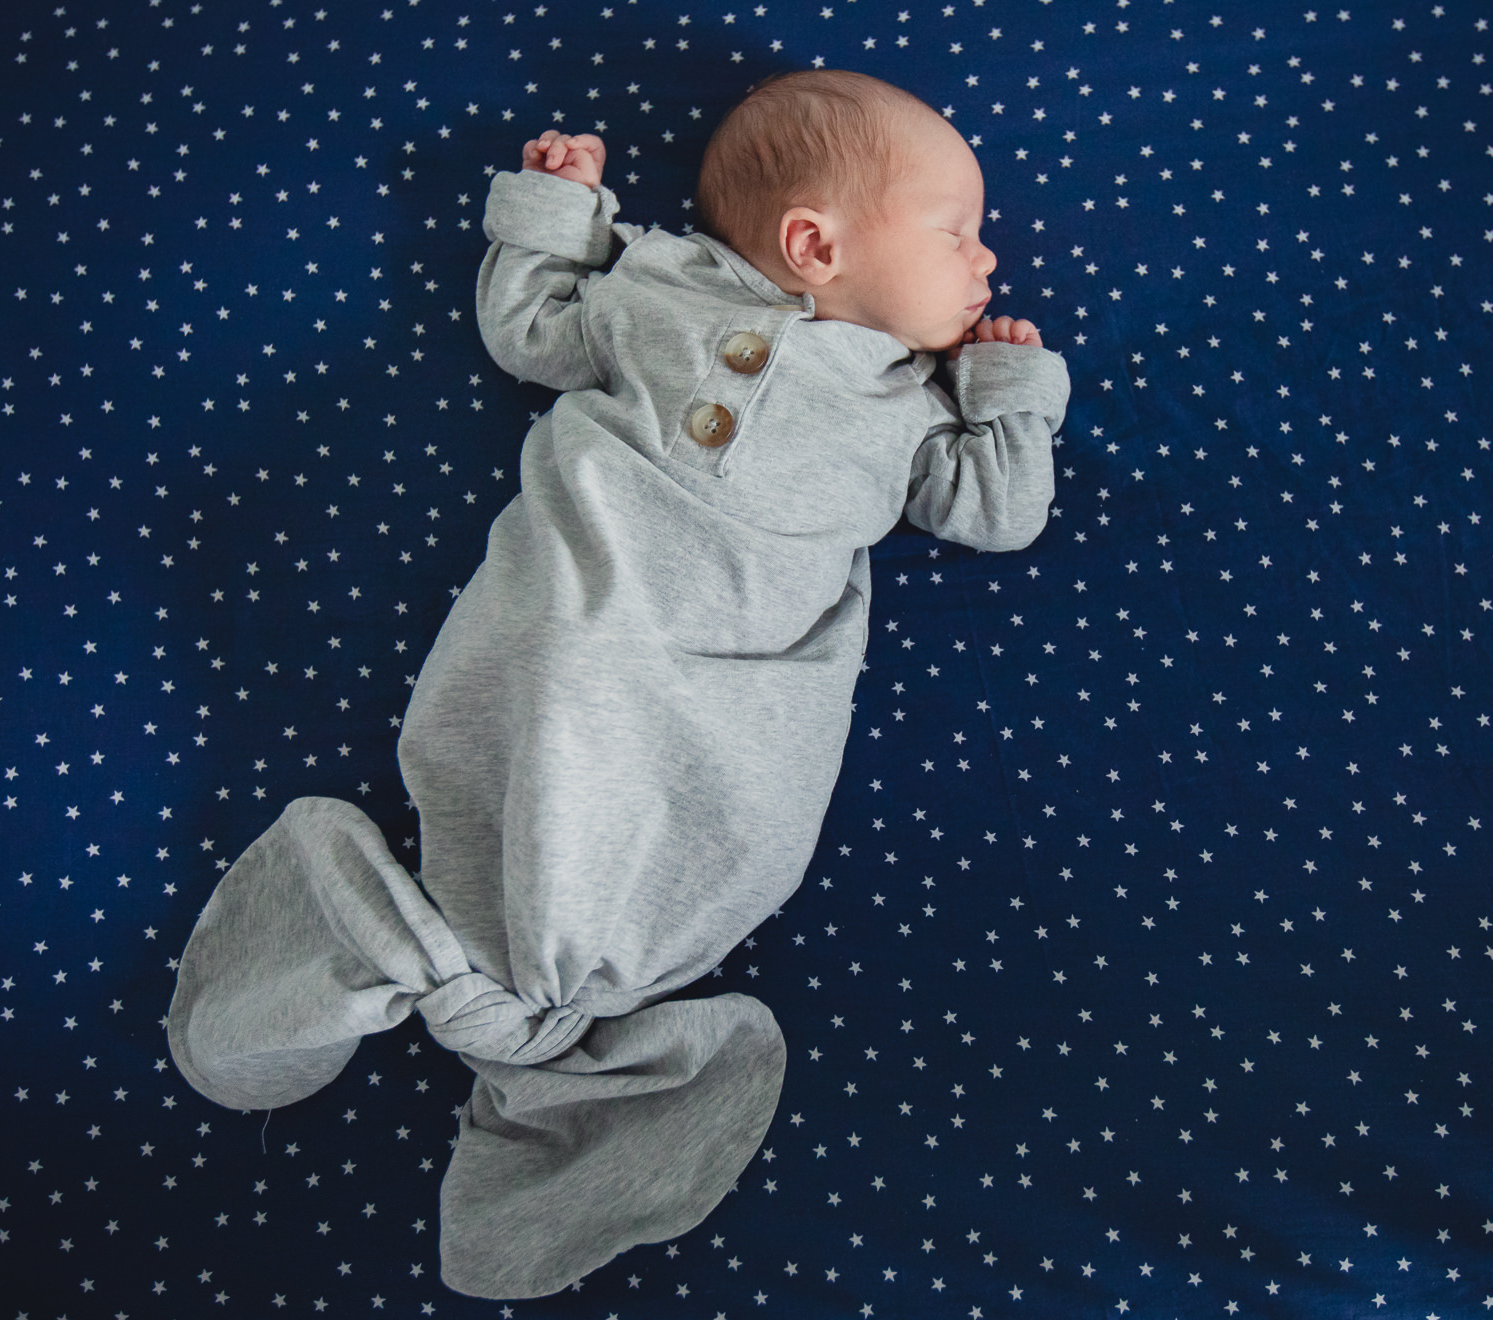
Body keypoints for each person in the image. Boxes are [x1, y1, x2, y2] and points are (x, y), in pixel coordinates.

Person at [166, 70, 1069, 1300]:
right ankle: (482, 977)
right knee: (544, 718)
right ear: (815, 243)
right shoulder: (657, 291)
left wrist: (1008, 398)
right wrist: (557, 210)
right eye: (957, 232)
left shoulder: (909, 411)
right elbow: (529, 327)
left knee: (721, 818)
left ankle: (527, 1011)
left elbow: (996, 516)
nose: (988, 263)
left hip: (737, 694)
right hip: (575, 616)